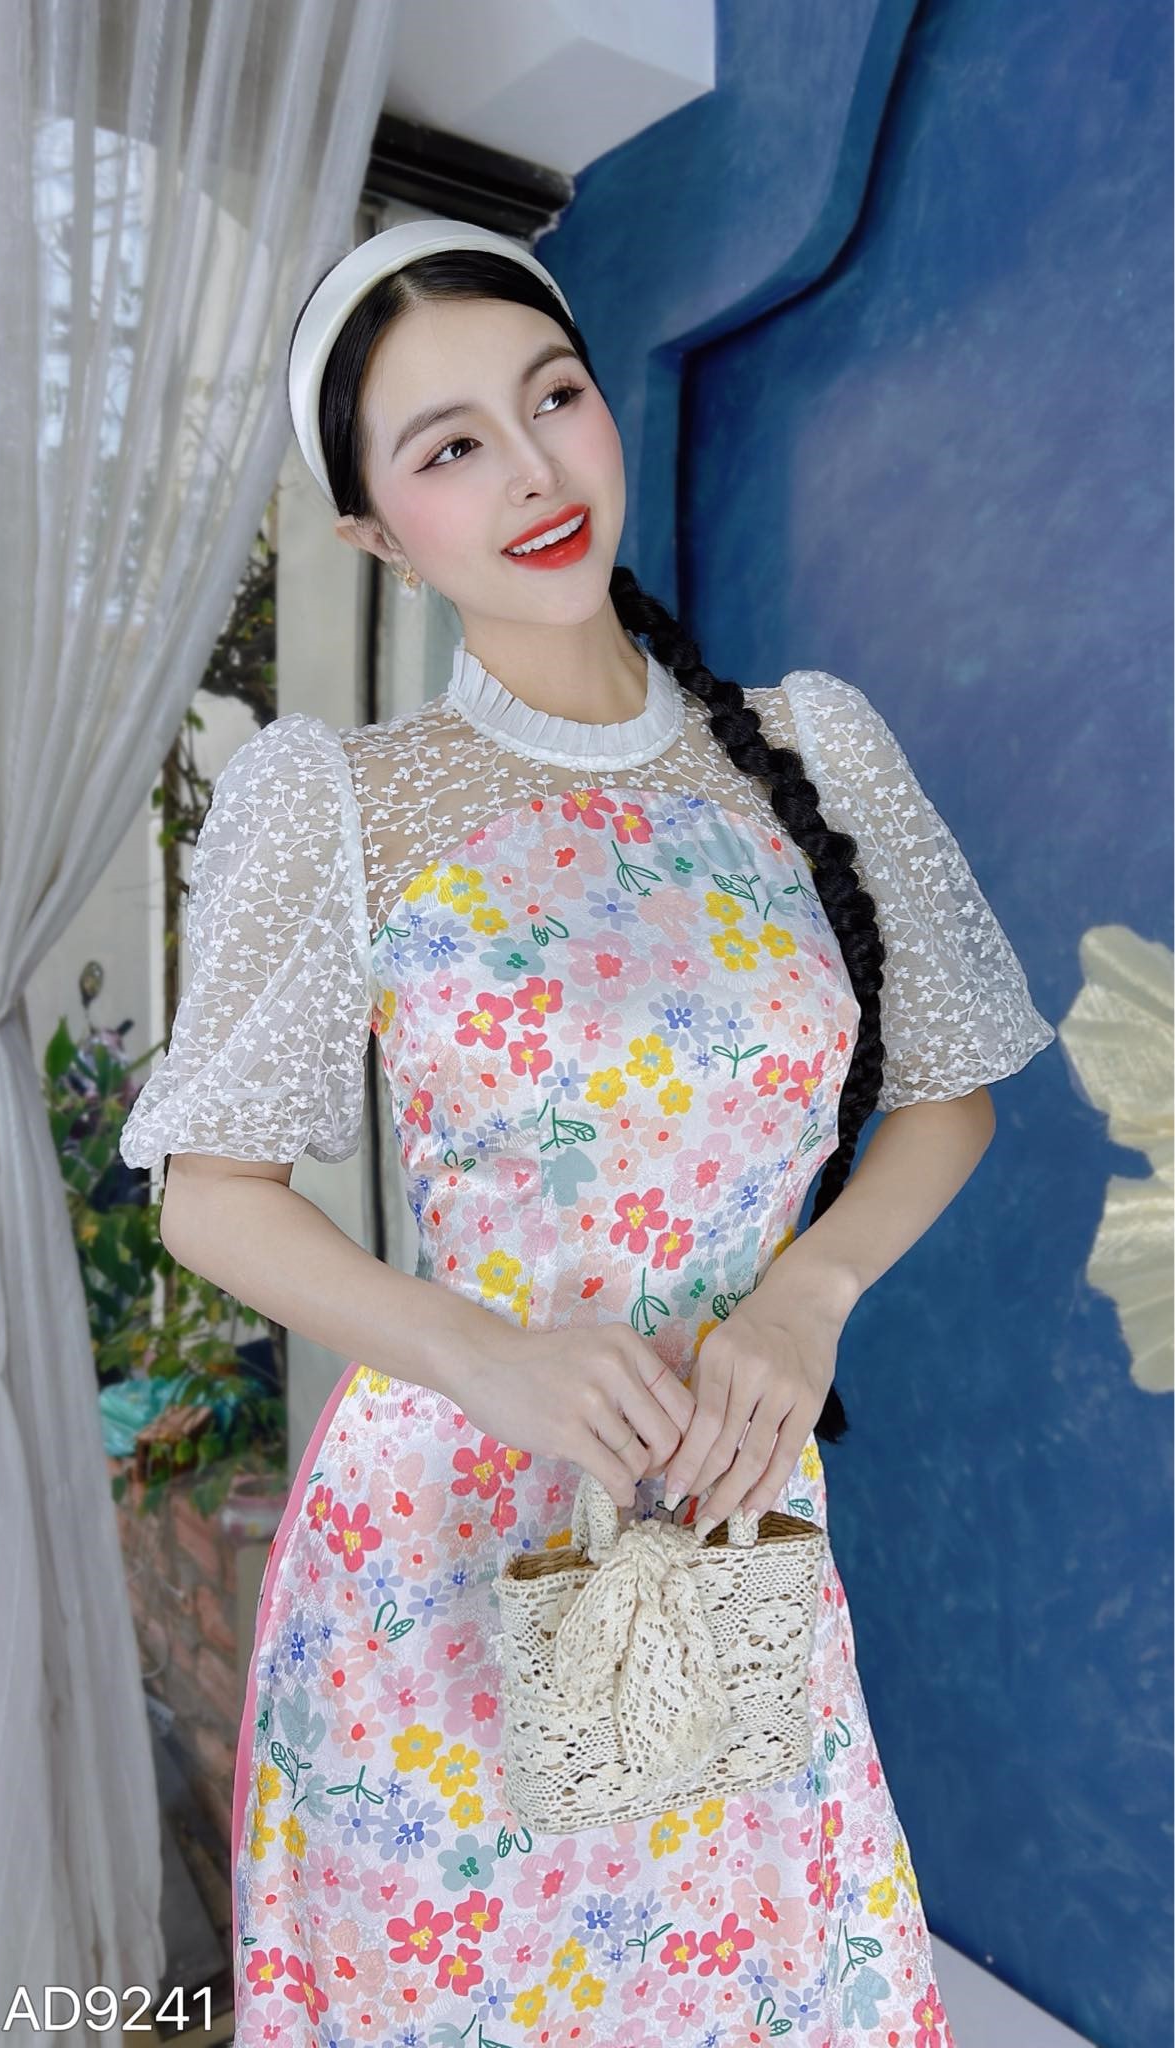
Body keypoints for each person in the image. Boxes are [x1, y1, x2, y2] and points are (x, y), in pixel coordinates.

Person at [120, 217, 1055, 2046]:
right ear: (373, 531)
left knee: (764, 1982)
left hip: (725, 1514)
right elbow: (211, 1196)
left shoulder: (814, 753)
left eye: (550, 398)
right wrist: (485, 1356)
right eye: (448, 446)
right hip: (446, 1549)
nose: (531, 471)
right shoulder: (345, 801)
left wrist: (803, 1301)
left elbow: (948, 1092)